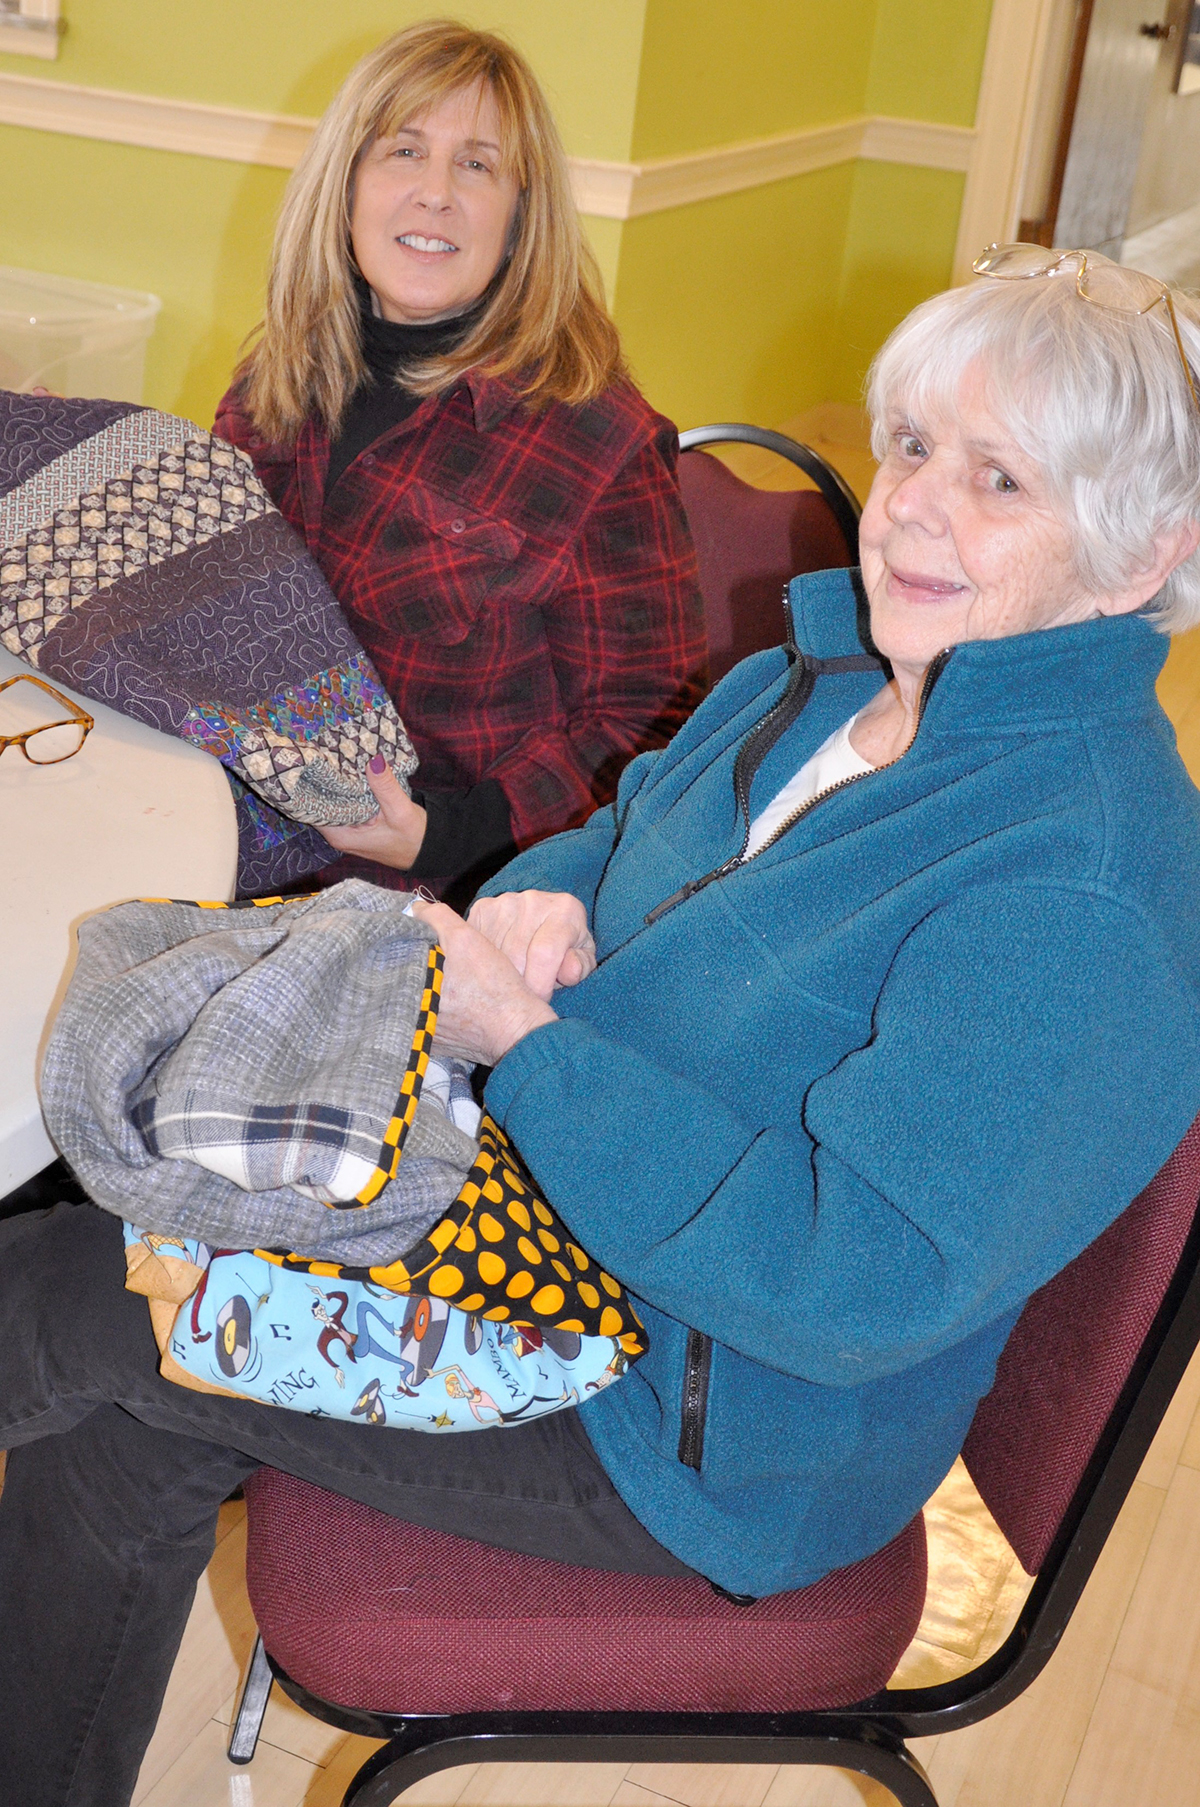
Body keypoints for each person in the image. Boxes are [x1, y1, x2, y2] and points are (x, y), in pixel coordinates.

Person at [4, 249, 1200, 1806]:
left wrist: (533, 1046)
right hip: (549, 1220)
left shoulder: (1075, 883)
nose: (912, 506)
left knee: (68, 1295)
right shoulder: (827, 680)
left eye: (1001, 481)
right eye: (913, 445)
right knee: (118, 1381)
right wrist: (554, 897)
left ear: (1138, 559)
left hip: (693, 1415)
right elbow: (632, 818)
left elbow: (851, 1284)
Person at [214, 21, 705, 906]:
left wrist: (445, 830)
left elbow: (655, 724)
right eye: (403, 152)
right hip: (240, 843)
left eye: (477, 165)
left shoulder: (595, 437)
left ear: (521, 217)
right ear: (346, 187)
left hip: (449, 897)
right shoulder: (273, 382)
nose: (434, 194)